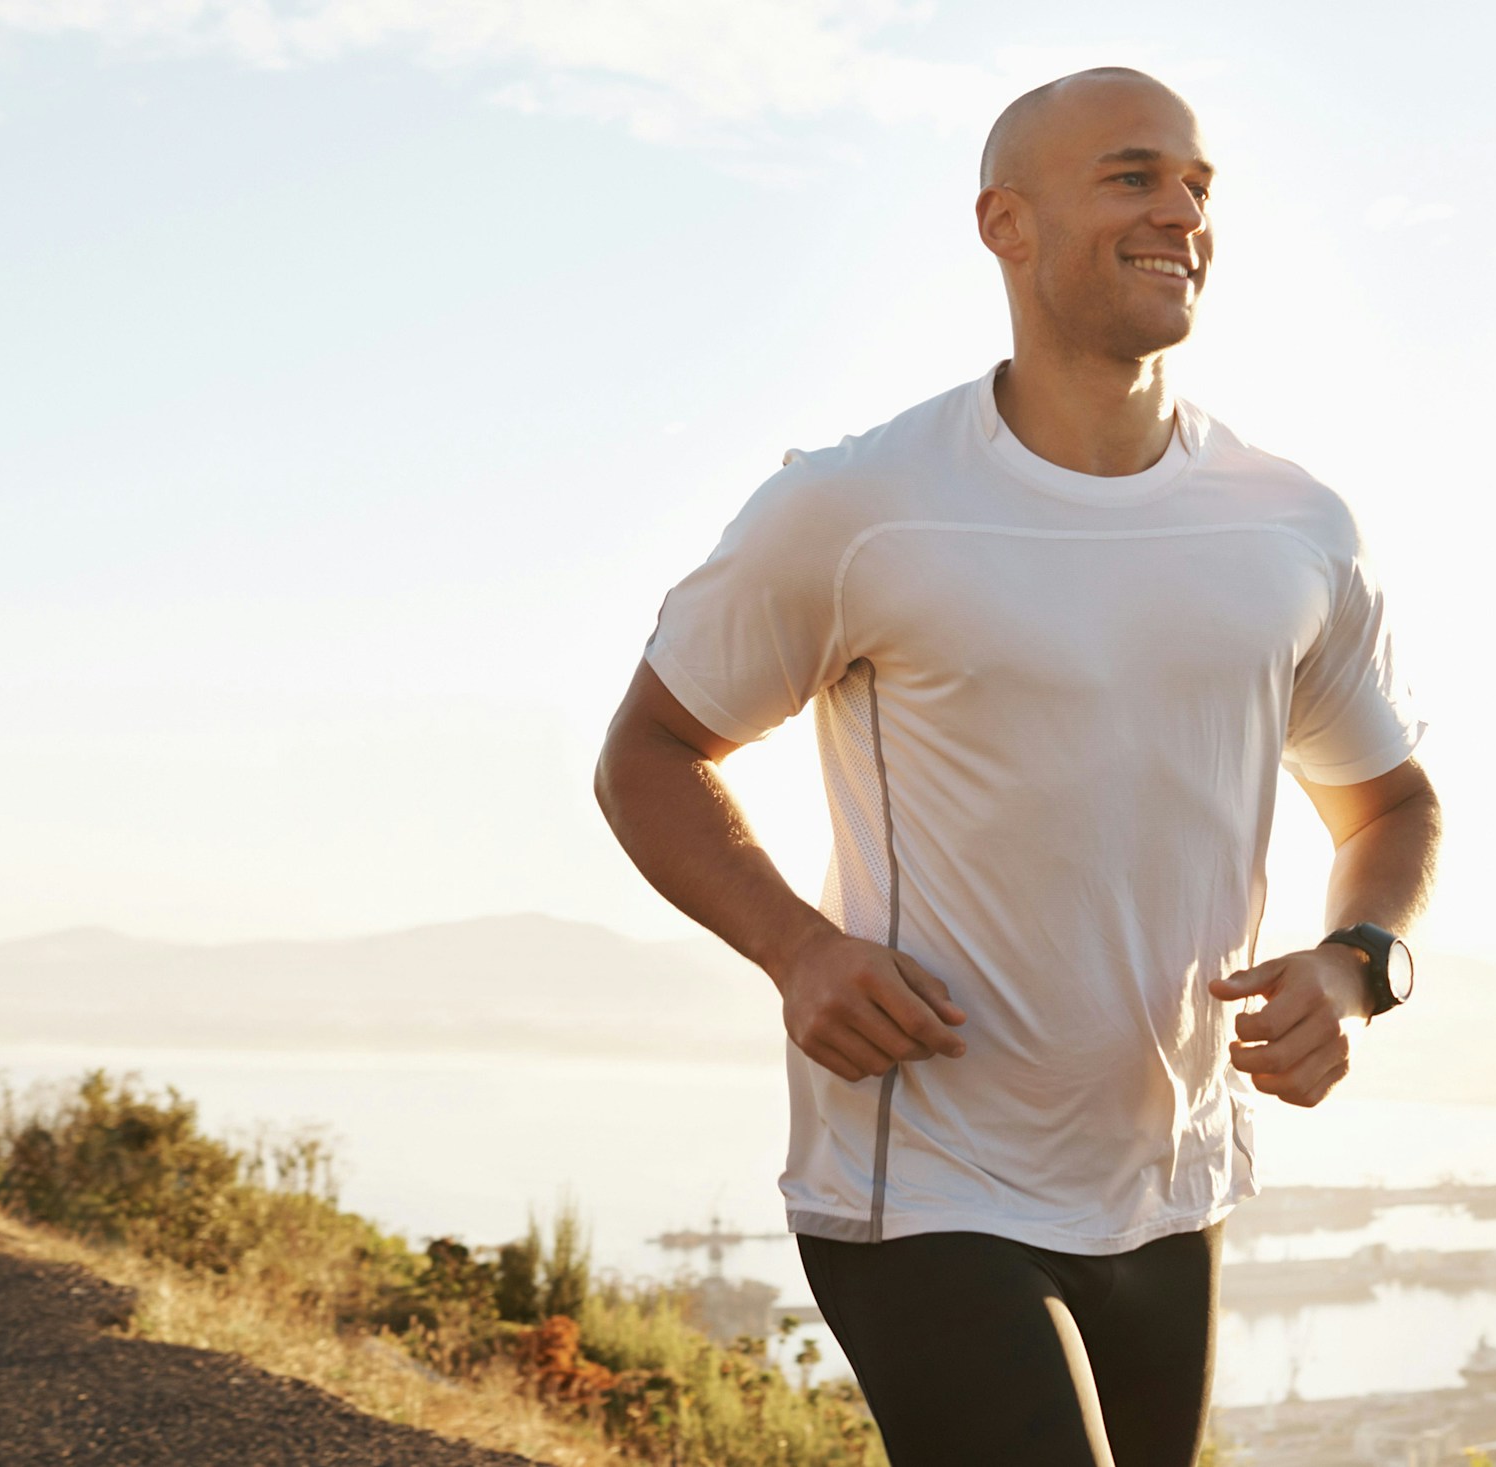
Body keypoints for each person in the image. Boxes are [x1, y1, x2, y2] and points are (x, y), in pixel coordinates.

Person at [594, 64, 1442, 1467]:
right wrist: (798, 950)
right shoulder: (856, 508)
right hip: (922, 1177)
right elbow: (653, 753)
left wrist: (1359, 964)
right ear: (1008, 223)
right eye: (1133, 175)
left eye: (1200, 184)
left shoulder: (1289, 523)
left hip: (1170, 1187)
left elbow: (1393, 801)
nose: (1182, 209)